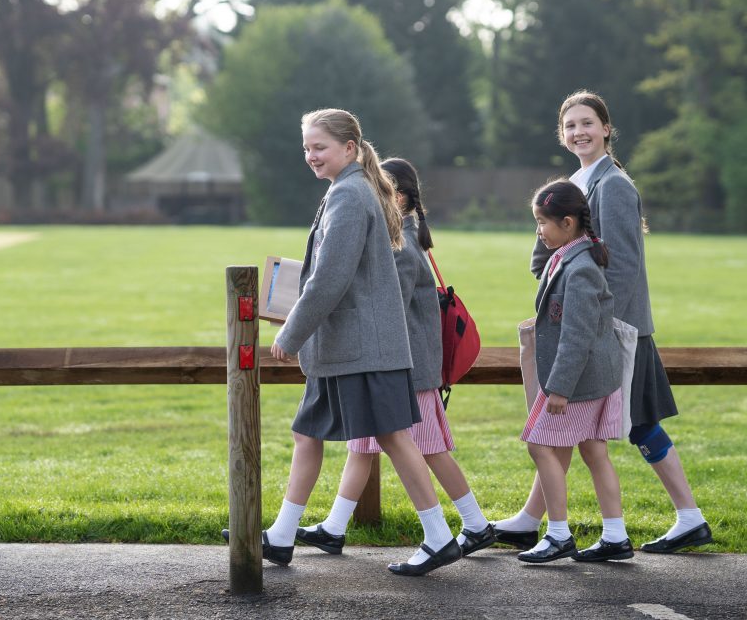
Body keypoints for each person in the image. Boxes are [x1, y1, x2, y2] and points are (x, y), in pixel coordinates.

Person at [225, 109, 461, 577]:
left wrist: (292, 333)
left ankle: (439, 537)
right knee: (307, 433)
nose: (311, 156)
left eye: (320, 147)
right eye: (307, 148)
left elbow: (331, 279)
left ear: (349, 148)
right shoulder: (347, 189)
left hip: (361, 348)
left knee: (393, 437)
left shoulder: (351, 195)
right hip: (346, 350)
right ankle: (283, 535)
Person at [494, 90, 711, 555]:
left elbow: (622, 268)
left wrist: (597, 330)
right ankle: (533, 519)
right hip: (597, 330)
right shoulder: (576, 182)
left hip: (615, 331)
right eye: (570, 125)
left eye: (588, 123)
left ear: (607, 129)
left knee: (632, 424)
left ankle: (687, 517)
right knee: (587, 425)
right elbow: (551, 261)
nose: (579, 132)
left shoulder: (612, 186)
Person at [295, 158, 495, 560]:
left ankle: (475, 524)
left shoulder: (399, 246)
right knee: (363, 446)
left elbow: (388, 309)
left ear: (397, 196)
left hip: (408, 367)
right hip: (395, 362)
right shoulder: (399, 237)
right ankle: (334, 527)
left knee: (430, 448)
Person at [517, 179, 630, 564]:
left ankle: (559, 534)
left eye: (542, 223)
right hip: (595, 378)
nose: (538, 231)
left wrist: (559, 388)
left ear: (568, 222)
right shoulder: (570, 255)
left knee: (540, 445)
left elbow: (577, 335)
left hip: (577, 381)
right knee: (594, 451)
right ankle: (615, 536)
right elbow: (539, 263)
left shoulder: (579, 268)